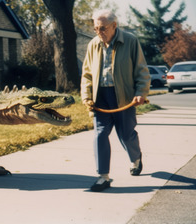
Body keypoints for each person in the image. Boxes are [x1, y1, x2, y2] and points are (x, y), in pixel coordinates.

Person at [80, 9, 150, 192]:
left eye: (102, 28)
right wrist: (86, 96)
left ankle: (136, 159)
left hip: (124, 97)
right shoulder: (93, 44)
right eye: (96, 28)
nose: (99, 32)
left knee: (126, 135)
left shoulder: (130, 41)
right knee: (100, 135)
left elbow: (141, 70)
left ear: (114, 26)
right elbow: (87, 74)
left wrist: (141, 92)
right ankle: (103, 176)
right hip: (100, 98)